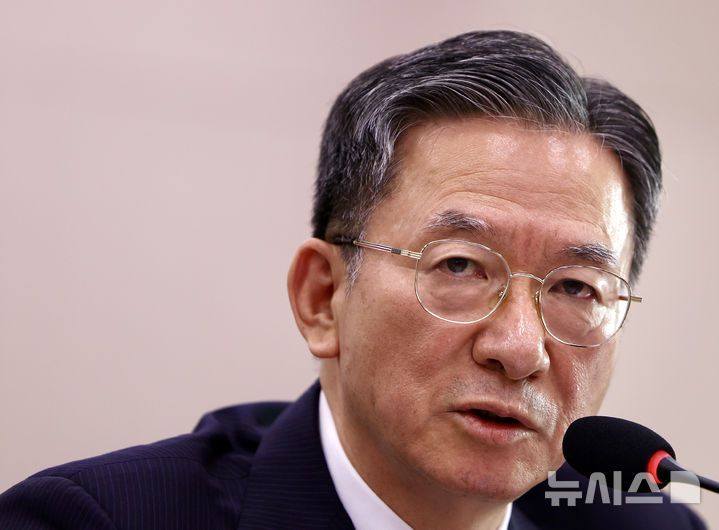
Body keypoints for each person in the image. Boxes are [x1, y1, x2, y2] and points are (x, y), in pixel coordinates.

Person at [0, 30, 706, 529]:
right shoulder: (92, 520)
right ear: (321, 298)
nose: (519, 348)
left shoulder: (645, 526)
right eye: (459, 265)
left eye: (576, 287)